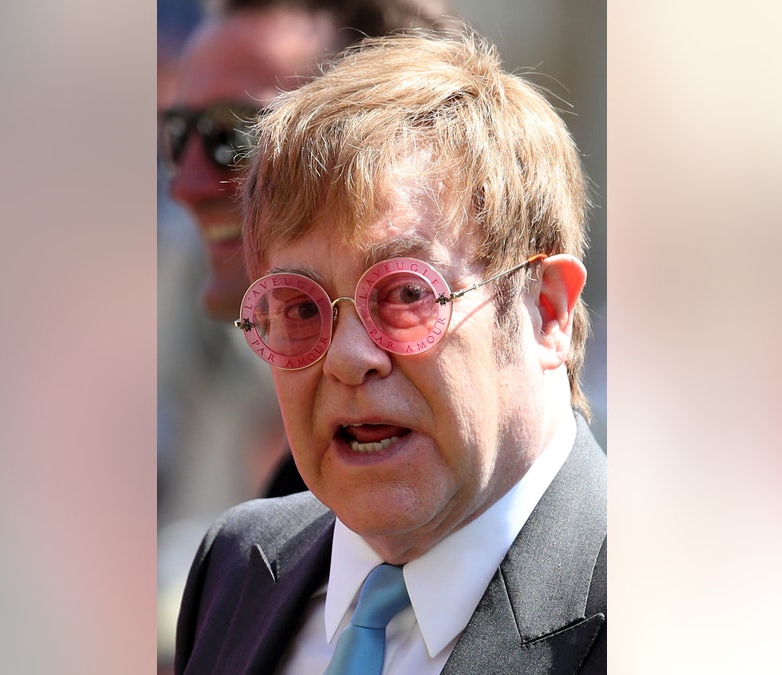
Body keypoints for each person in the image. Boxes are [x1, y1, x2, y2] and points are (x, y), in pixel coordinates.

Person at [176, 29, 606, 674]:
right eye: (298, 308)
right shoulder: (235, 572)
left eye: (405, 294)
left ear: (547, 309)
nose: (348, 358)